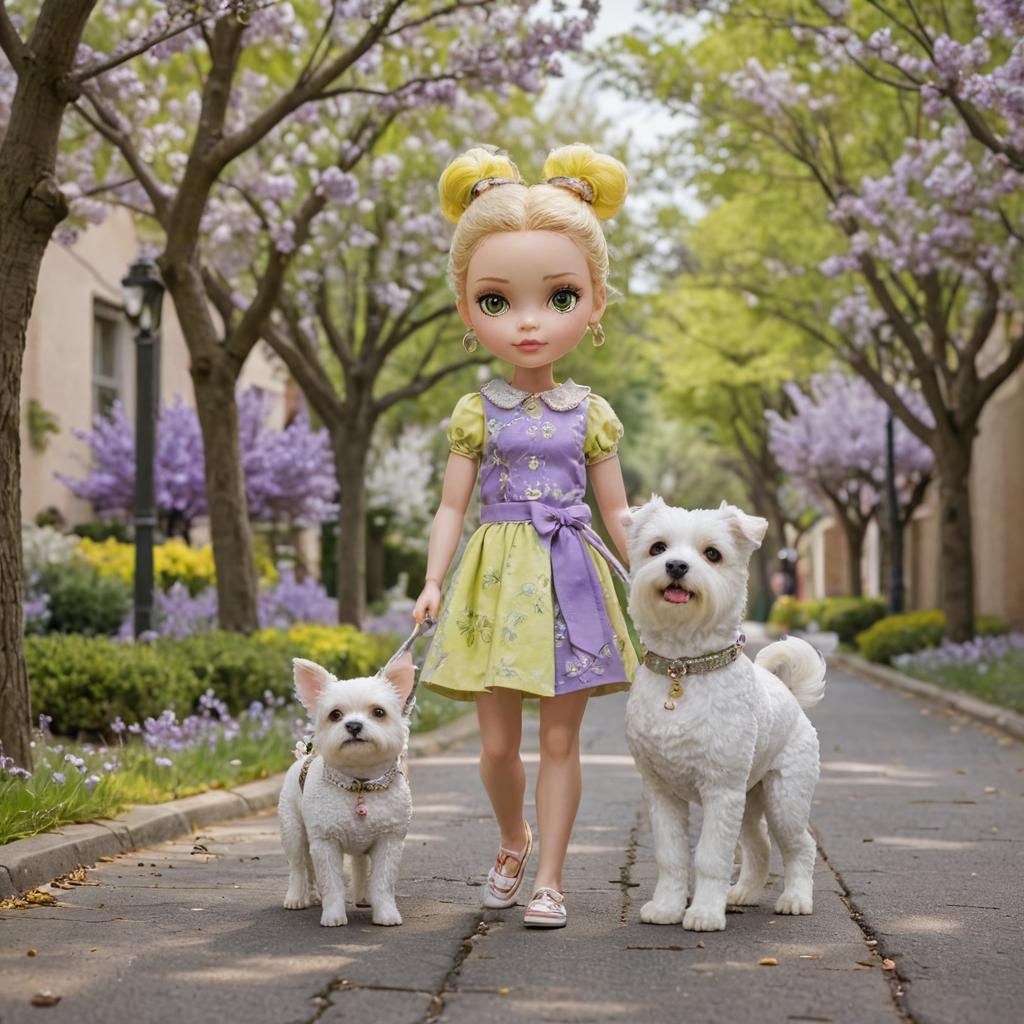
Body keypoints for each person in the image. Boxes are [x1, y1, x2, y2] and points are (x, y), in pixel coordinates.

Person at [412, 144, 638, 929]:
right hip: (495, 578)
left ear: (595, 302)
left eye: (561, 296)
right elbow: (452, 507)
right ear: (467, 310)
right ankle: (513, 838)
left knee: (562, 743)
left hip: (571, 573)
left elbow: (619, 513)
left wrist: (653, 576)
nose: (531, 321)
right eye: (497, 301)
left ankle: (550, 879)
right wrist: (433, 579)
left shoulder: (592, 414)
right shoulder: (476, 411)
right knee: (498, 747)